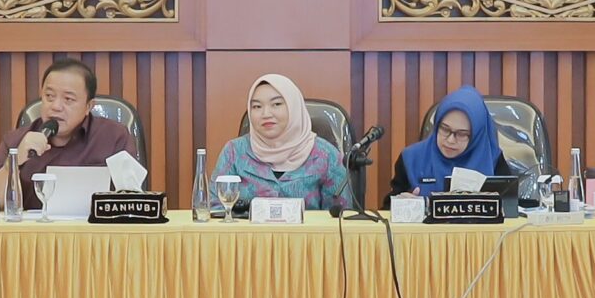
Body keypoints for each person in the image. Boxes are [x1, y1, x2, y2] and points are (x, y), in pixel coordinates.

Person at [0, 58, 135, 209]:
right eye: (49, 96)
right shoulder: (17, 140)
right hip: (34, 228)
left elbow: (132, 196)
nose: (56, 106)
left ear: (88, 106)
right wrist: (13, 162)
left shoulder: (113, 137)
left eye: (68, 99)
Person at [210, 74, 351, 211]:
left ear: (293, 107)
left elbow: (340, 215)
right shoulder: (234, 152)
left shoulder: (326, 155)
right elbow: (215, 209)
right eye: (257, 106)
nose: (266, 114)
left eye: (276, 104)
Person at [384, 85, 510, 207]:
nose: (450, 140)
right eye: (444, 129)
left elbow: (513, 209)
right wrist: (400, 204)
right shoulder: (411, 159)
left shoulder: (494, 160)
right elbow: (387, 209)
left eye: (461, 134)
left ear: (476, 136)